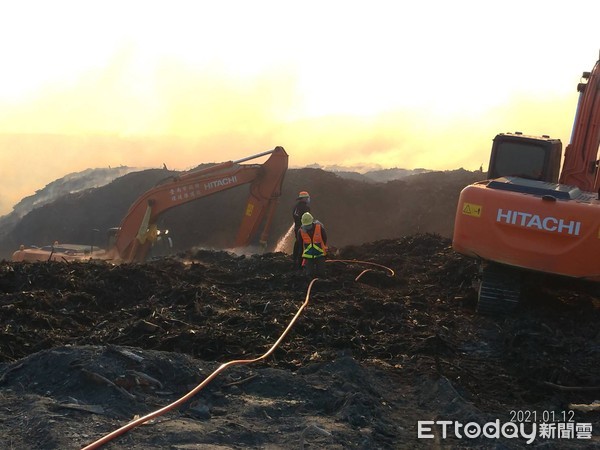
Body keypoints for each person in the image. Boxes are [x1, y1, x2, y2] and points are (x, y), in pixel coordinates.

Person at [297, 212, 328, 279]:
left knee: (321, 274)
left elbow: (324, 238)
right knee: (309, 275)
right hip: (308, 257)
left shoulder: (319, 228)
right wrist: (299, 263)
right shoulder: (301, 231)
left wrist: (324, 248)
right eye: (306, 225)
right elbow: (300, 247)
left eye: (308, 225)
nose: (307, 227)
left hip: (320, 255)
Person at [292, 191, 311, 269]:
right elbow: (308, 219)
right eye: (307, 198)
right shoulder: (306, 208)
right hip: (304, 228)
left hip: (296, 227)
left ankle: (294, 258)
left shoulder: (295, 207)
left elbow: (295, 217)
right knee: (304, 245)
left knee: (297, 242)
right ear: (303, 198)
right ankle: (301, 262)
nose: (308, 199)